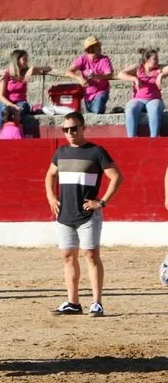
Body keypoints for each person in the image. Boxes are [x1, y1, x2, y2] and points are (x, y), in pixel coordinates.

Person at [44, 111, 123, 317]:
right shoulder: (60, 152)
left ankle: (97, 302)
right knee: (68, 256)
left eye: (73, 128)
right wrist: (52, 197)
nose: (69, 133)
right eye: (65, 129)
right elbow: (50, 175)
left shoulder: (96, 152)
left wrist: (102, 202)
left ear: (83, 128)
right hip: (65, 214)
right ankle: (73, 302)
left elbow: (116, 177)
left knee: (91, 255)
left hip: (87, 214)